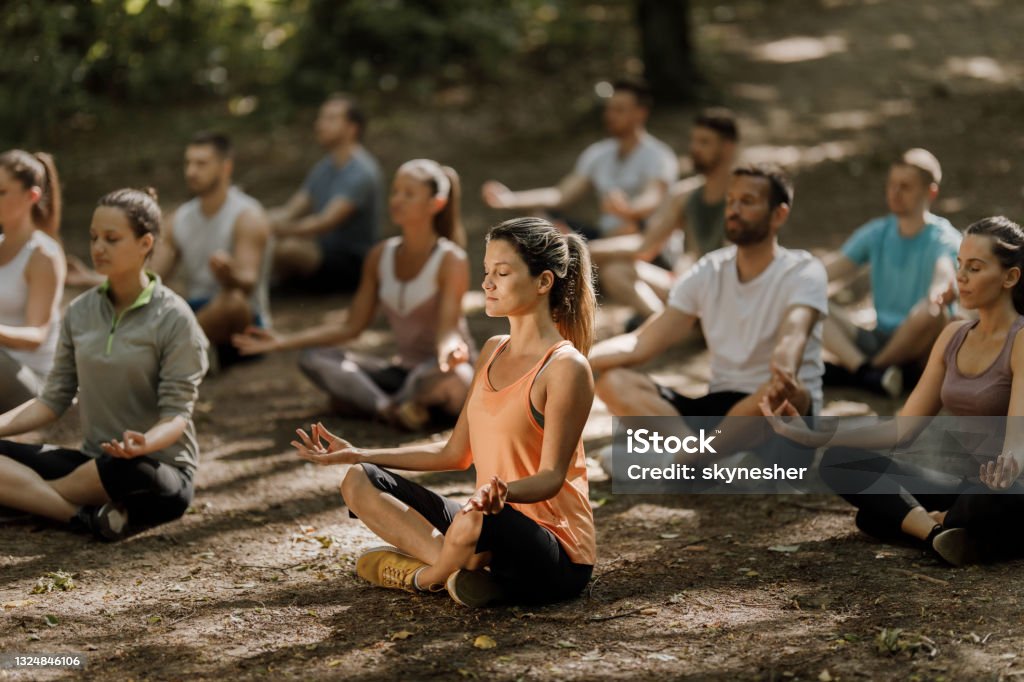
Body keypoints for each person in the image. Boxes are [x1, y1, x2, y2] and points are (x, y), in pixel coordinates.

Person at [290, 217, 596, 607]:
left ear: (543, 282)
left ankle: (427, 576)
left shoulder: (565, 367)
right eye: (486, 271)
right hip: (482, 527)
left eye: (502, 272)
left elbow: (552, 477)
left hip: (555, 553)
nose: (487, 283)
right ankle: (468, 574)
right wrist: (359, 453)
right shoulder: (492, 350)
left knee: (474, 519)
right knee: (359, 481)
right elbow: (454, 454)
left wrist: (502, 495)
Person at [764, 216, 1024, 567]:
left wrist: (1008, 467)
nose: (960, 276)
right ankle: (940, 536)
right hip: (963, 486)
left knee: (885, 515)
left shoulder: (1021, 340)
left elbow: (1016, 441)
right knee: (842, 461)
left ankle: (935, 525)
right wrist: (814, 436)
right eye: (959, 265)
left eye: (975, 268)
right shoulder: (952, 336)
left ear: (1010, 277)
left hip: (1004, 486)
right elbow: (902, 428)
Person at [0, 188, 208, 540]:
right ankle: (79, 515)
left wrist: (144, 443)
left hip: (155, 469)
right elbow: (52, 401)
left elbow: (176, 415)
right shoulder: (80, 312)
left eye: (112, 239)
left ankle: (26, 497)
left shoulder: (175, 317)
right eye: (94, 237)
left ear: (145, 244)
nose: (98, 248)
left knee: (127, 469)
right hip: (92, 464)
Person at [590, 164, 827, 458]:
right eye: (730, 201)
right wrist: (576, 358)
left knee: (788, 391)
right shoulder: (709, 270)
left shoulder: (803, 270)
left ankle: (692, 459)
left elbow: (794, 332)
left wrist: (785, 365)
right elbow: (642, 341)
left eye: (747, 202)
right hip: (720, 411)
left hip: (780, 415)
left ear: (779, 214)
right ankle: (704, 457)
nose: (733, 210)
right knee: (613, 381)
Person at [235, 160, 474, 430]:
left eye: (409, 194)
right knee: (314, 358)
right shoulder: (379, 255)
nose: (397, 200)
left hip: (437, 371)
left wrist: (450, 352)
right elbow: (352, 326)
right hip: (402, 375)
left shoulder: (451, 259)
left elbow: (448, 331)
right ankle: (392, 408)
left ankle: (367, 402)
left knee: (458, 379)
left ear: (436, 203)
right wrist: (283, 341)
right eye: (395, 191)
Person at [822, 148, 960, 396]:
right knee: (806, 298)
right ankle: (871, 375)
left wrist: (939, 290)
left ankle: (862, 373)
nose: (894, 193)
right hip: (877, 337)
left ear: (931, 192)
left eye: (905, 186)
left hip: (917, 343)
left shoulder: (945, 238)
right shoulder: (877, 232)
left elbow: (944, 272)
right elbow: (828, 271)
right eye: (891, 185)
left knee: (933, 312)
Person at [588, 108, 739, 329]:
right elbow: (646, 246)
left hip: (730, 295)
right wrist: (585, 249)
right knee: (615, 270)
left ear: (727, 147)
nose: (695, 149)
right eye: (694, 141)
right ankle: (665, 327)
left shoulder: (745, 195)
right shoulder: (685, 195)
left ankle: (684, 327)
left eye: (704, 142)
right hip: (690, 289)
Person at [482, 79, 677, 240]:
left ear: (640, 113)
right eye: (609, 109)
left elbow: (653, 198)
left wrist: (627, 210)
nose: (610, 116)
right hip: (603, 235)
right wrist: (510, 199)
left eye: (619, 110)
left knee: (630, 229)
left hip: (642, 238)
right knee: (539, 219)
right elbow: (561, 195)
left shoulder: (659, 156)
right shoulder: (598, 153)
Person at [150, 132, 272, 365]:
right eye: (188, 163)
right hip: (197, 310)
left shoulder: (248, 216)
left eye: (201, 164)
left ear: (225, 168)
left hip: (244, 324)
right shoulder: (179, 218)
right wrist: (95, 279)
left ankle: (169, 356)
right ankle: (190, 352)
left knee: (233, 302)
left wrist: (229, 274)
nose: (191, 172)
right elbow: (150, 279)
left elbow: (247, 283)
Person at [269, 93, 383, 293]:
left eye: (330, 119)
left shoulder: (361, 171)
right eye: (321, 118)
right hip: (322, 253)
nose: (320, 124)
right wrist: (257, 219)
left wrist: (277, 230)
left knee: (286, 248)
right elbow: (291, 209)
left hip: (352, 264)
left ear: (352, 128)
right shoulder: (324, 167)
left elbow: (325, 222)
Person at [0, 150, 66, 412]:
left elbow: (37, 334)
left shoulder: (43, 256)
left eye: (2, 192)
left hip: (34, 383)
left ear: (32, 196)